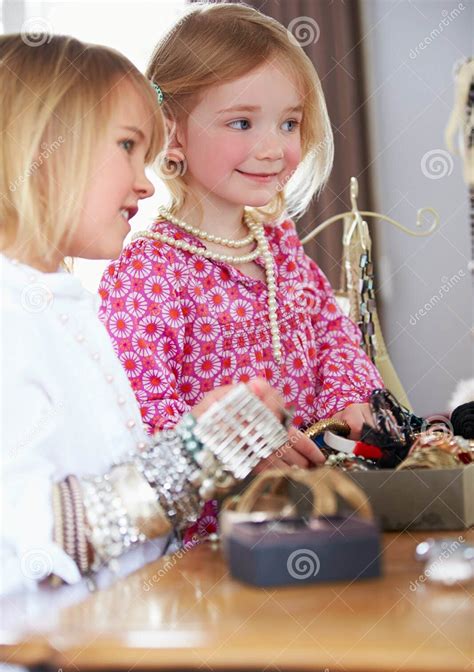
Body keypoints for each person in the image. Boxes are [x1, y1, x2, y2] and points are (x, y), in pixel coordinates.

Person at [0, 33, 322, 596]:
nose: (145, 183)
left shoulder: (57, 305)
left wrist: (213, 439)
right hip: (58, 662)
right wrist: (198, 454)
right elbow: (34, 541)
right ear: (37, 150)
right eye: (126, 146)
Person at [99, 2, 383, 449]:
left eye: (289, 123)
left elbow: (335, 337)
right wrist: (238, 452)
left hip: (312, 499)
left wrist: (349, 401)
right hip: (222, 513)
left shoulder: (277, 244)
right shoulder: (149, 271)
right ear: (173, 134)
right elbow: (142, 415)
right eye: (243, 122)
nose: (273, 148)